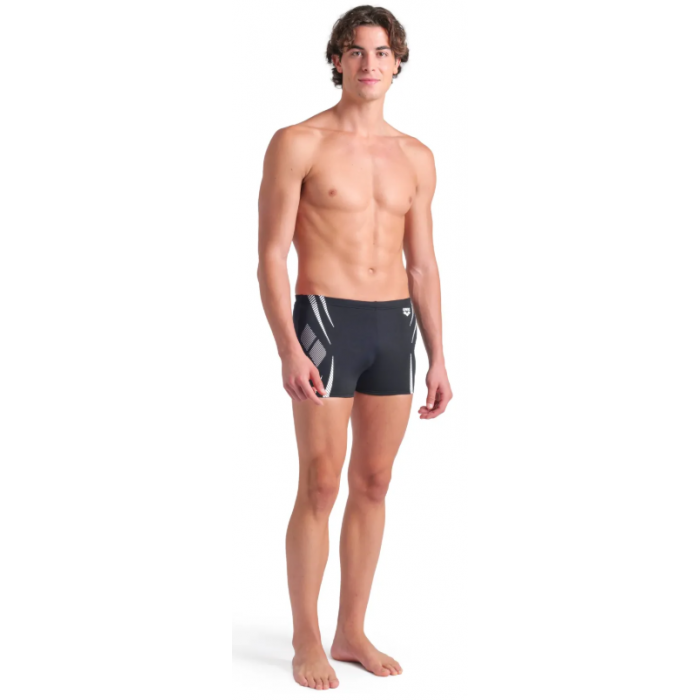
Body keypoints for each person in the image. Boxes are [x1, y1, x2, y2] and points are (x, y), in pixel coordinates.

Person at [257, 5, 453, 691]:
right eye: (357, 51)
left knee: (374, 483)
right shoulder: (298, 142)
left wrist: (439, 355)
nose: (370, 64)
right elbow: (270, 256)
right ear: (337, 59)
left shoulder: (416, 156)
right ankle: (306, 637)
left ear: (399, 63)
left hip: (393, 326)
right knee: (320, 482)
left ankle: (350, 630)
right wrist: (288, 347)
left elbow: (422, 265)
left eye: (382, 52)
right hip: (325, 320)